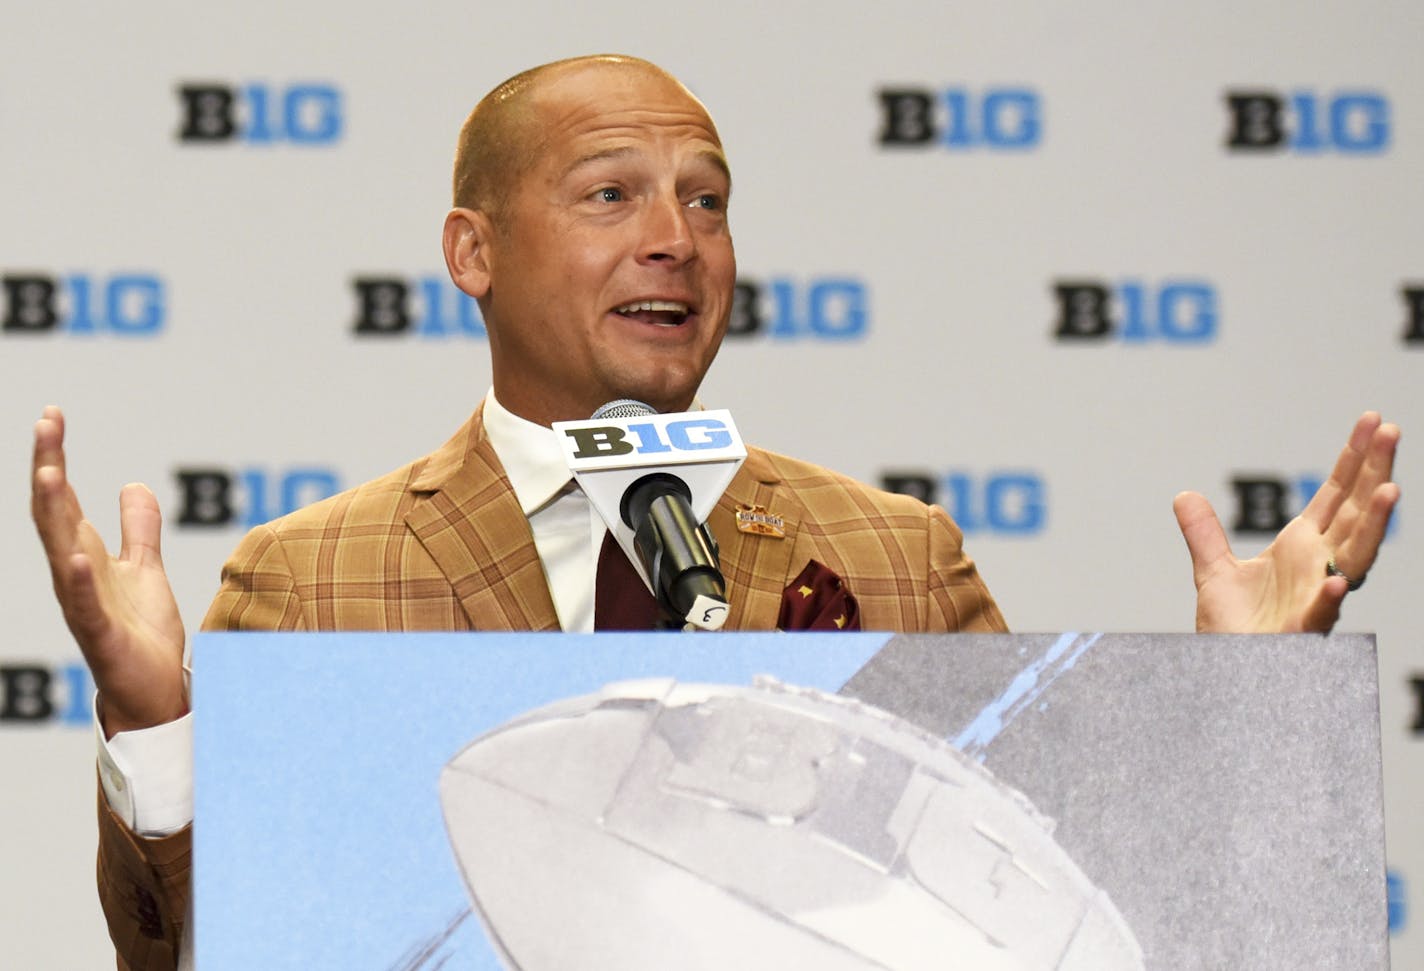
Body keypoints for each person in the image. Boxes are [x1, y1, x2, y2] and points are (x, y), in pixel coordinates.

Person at [30, 55, 1400, 971]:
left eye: (707, 202)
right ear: (473, 252)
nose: (675, 239)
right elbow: (190, 957)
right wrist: (158, 732)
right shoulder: (311, 574)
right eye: (612, 194)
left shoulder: (892, 554)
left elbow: (1032, 910)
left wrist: (1248, 709)